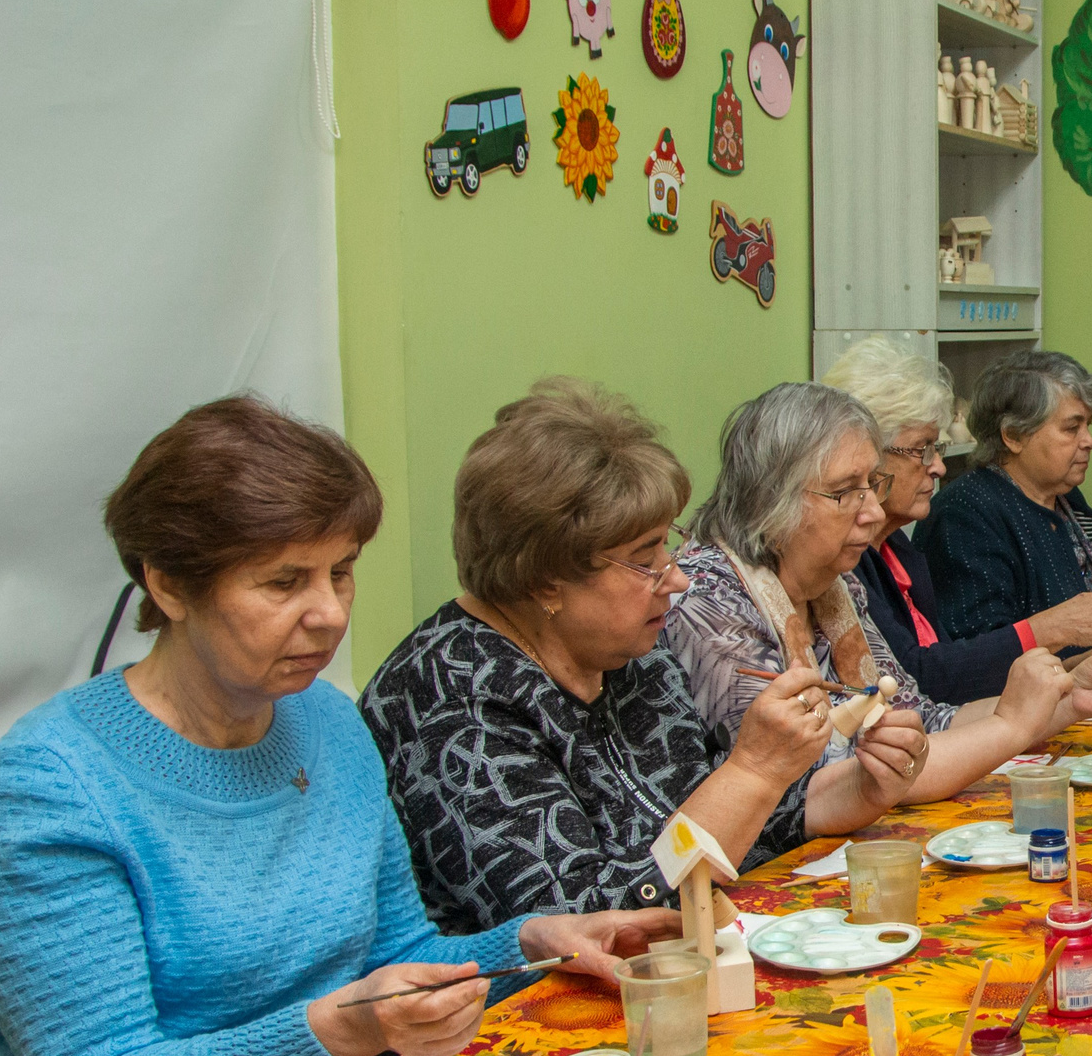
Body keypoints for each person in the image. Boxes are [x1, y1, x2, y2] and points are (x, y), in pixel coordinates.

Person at [0, 399, 671, 1056]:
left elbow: (394, 953)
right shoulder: (53, 785)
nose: (328, 612)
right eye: (284, 581)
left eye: (342, 571)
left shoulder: (326, 720)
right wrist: (344, 1028)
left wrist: (530, 941)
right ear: (166, 584)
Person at [362, 380, 926, 934]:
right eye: (643, 558)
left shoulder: (631, 651)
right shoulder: (449, 697)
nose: (676, 577)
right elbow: (590, 925)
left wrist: (860, 787)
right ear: (545, 580)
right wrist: (752, 771)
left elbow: (710, 822)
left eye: (665, 542)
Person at [661, 381, 1092, 799]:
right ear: (771, 499)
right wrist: (1011, 725)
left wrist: (1069, 697)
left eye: (872, 485)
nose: (871, 512)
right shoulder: (710, 597)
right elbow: (818, 788)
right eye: (845, 491)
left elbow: (919, 720)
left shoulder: (835, 587)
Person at [823, 337, 1092, 702]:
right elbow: (918, 682)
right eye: (923, 450)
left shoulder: (896, 549)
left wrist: (1074, 677)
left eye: (936, 449)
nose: (938, 466)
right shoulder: (853, 557)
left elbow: (952, 679)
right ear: (870, 455)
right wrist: (1055, 628)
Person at [919, 349, 1092, 660]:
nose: (1089, 440)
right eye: (1072, 428)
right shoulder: (964, 515)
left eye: (1088, 425)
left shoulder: (1067, 499)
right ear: (1013, 435)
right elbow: (987, 657)